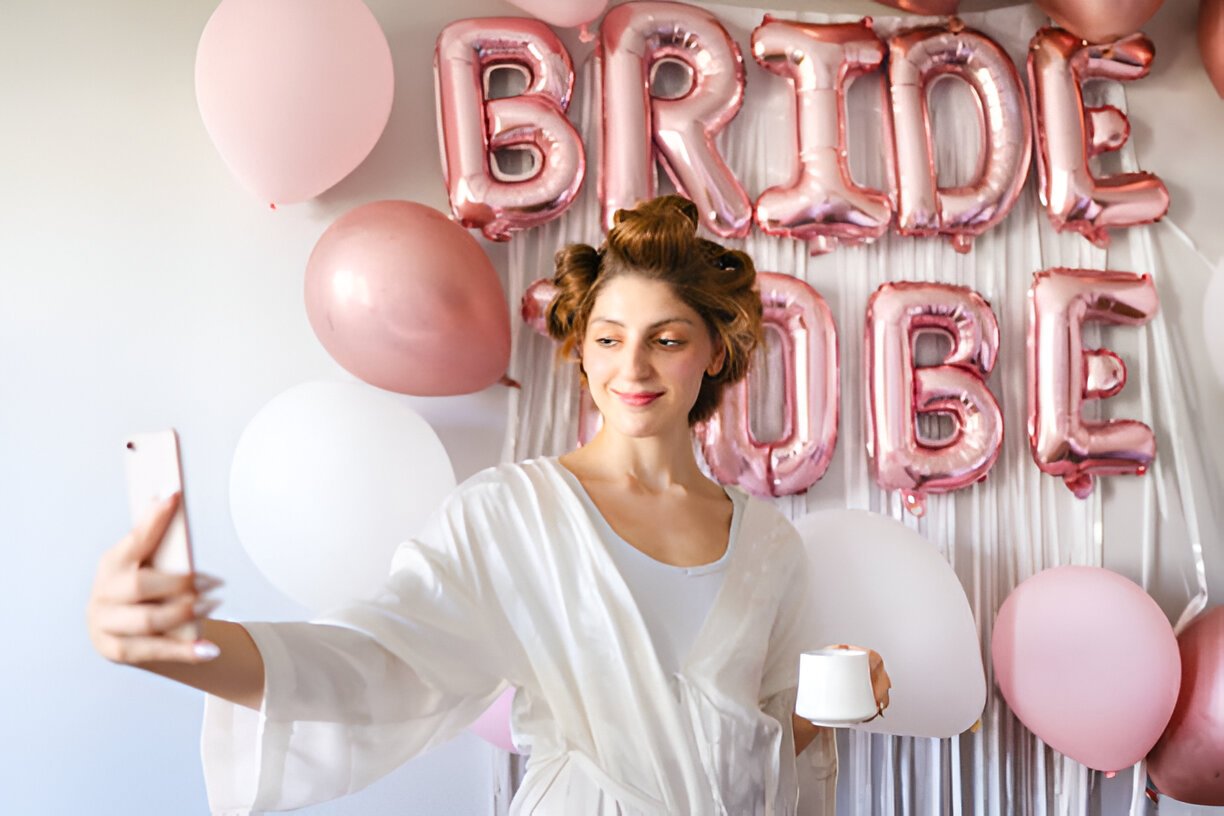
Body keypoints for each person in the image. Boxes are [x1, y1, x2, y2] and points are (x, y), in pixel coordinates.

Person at [86, 194, 890, 814]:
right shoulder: (515, 515)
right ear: (583, 351)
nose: (633, 367)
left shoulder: (769, 545)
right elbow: (378, 659)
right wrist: (183, 649)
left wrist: (836, 705)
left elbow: (756, 738)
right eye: (609, 338)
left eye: (668, 339)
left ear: (714, 352)